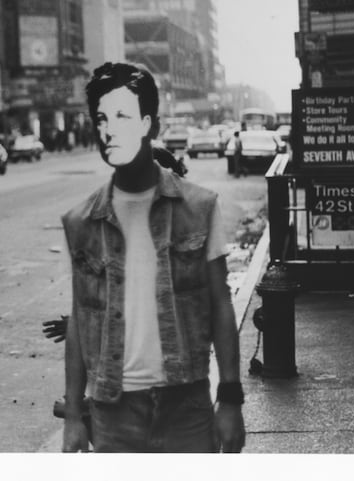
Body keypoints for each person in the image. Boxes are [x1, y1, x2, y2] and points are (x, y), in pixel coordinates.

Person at [60, 62, 245, 453]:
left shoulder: (198, 207)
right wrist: (74, 414)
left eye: (122, 117)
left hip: (186, 406)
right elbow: (80, 319)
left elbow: (220, 304)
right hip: (113, 413)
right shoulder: (81, 222)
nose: (109, 131)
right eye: (101, 119)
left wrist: (231, 399)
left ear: (149, 125)